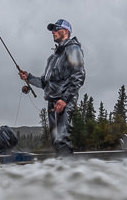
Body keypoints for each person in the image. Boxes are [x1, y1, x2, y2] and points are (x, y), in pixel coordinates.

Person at [18, 19, 86, 156]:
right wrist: (29, 77)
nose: (53, 32)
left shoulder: (73, 48)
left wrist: (65, 99)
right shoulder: (52, 58)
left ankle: (69, 171)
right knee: (56, 140)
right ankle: (63, 170)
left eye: (56, 29)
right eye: (52, 30)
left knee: (62, 138)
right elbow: (44, 83)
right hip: (52, 102)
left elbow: (79, 75)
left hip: (64, 101)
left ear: (66, 31)